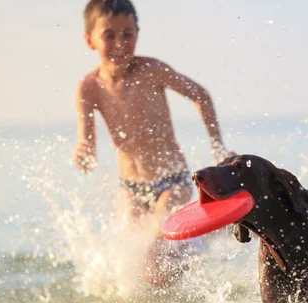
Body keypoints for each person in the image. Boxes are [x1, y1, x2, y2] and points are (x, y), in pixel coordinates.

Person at [73, 0, 232, 286]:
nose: (121, 43)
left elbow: (200, 95)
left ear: (137, 33)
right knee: (128, 263)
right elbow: (86, 137)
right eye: (109, 35)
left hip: (172, 182)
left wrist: (218, 148)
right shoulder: (89, 87)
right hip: (131, 189)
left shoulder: (151, 70)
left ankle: (190, 264)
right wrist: (83, 150)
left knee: (155, 251)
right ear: (89, 40)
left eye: (128, 34)